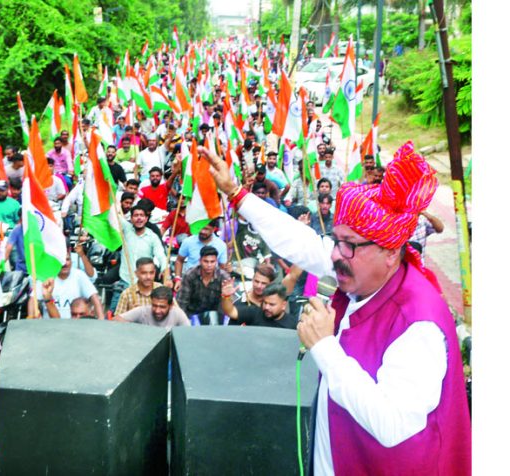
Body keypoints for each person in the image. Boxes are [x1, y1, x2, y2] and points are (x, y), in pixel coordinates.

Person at [200, 141, 470, 474]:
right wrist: (236, 192)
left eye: (349, 245)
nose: (336, 254)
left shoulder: (418, 324)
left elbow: (393, 423)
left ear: (390, 252)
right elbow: (300, 240)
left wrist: (325, 347)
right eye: (337, 240)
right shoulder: (360, 269)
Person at [114, 204, 169, 311]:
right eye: (136, 215)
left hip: (145, 285)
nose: (139, 218)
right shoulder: (126, 229)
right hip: (125, 282)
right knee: (113, 319)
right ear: (131, 218)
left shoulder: (152, 237)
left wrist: (165, 273)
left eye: (142, 215)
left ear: (146, 218)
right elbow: (112, 214)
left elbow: (161, 256)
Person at [31, 252, 105, 320]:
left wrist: (101, 321)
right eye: (61, 260)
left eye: (67, 259)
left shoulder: (79, 275)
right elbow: (32, 300)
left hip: (77, 327)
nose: (65, 263)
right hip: (50, 327)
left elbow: (95, 298)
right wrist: (31, 319)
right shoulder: (46, 276)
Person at [176, 246, 231, 322]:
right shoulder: (190, 275)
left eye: (212, 262)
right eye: (206, 261)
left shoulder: (224, 277)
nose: (209, 265)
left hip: (215, 317)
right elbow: (182, 302)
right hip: (191, 316)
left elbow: (225, 305)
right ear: (200, 261)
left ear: (216, 262)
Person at [221, 281, 297, 328]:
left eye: (272, 304)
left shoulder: (293, 325)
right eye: (265, 303)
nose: (267, 307)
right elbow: (231, 311)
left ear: (283, 305)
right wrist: (226, 296)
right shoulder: (255, 312)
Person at [114, 286, 190, 330]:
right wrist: (136, 329)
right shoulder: (143, 311)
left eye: (162, 307)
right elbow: (116, 319)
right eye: (154, 305)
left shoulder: (178, 314)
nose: (157, 310)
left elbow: (188, 334)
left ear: (171, 305)